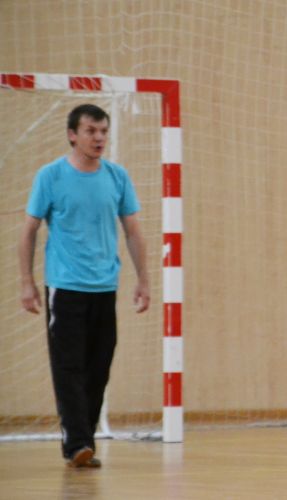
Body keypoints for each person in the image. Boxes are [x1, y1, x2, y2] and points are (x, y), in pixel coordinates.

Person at [18, 103, 150, 468]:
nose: (99, 138)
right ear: (72, 135)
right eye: (91, 131)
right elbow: (28, 231)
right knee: (69, 367)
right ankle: (77, 443)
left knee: (98, 367)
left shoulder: (117, 177)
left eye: (103, 131)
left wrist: (143, 279)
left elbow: (133, 231)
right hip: (65, 287)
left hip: (105, 287)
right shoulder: (50, 176)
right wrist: (27, 282)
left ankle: (83, 440)